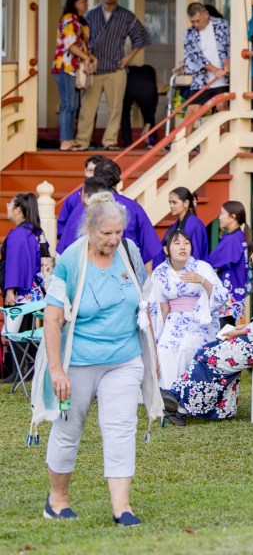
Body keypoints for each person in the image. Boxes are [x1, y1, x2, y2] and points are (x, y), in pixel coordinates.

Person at [31, 197, 163, 525]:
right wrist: (57, 370)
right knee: (68, 430)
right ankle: (57, 500)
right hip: (78, 361)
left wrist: (153, 353)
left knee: (121, 429)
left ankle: (122, 509)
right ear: (90, 229)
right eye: (106, 233)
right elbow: (52, 318)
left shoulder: (130, 252)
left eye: (118, 232)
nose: (114, 239)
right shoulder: (71, 261)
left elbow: (144, 305)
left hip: (124, 359)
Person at [160, 235, 253, 425]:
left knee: (209, 356)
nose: (251, 259)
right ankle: (208, 405)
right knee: (209, 350)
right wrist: (246, 327)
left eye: (252, 255)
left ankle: (181, 406)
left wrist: (238, 332)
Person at [74, 0, 151, 151]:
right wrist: (86, 58)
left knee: (115, 108)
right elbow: (79, 40)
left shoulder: (126, 16)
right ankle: (82, 141)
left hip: (116, 69)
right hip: (92, 69)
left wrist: (128, 58)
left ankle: (109, 141)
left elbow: (141, 37)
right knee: (87, 108)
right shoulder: (90, 15)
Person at [150, 229, 227, 389]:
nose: (182, 247)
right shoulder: (159, 272)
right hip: (173, 321)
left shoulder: (202, 267)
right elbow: (161, 307)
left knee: (187, 347)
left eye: (186, 243)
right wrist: (158, 334)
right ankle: (169, 393)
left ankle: (188, 393)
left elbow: (221, 296)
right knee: (165, 348)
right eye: (177, 243)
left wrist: (202, 280)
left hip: (200, 321)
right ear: (166, 250)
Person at [56, 159, 163, 271]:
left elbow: (64, 246)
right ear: (118, 180)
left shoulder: (83, 207)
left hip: (88, 270)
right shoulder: (133, 207)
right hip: (124, 272)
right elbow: (150, 248)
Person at [51, 0, 95, 151]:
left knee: (74, 106)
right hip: (65, 67)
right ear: (74, 3)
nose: (86, 4)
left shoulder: (80, 21)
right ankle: (65, 140)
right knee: (68, 105)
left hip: (74, 68)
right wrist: (86, 58)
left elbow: (82, 47)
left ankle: (69, 139)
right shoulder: (69, 18)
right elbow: (70, 45)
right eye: (82, 1)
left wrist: (91, 58)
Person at [183, 2, 231, 122]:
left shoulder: (223, 25)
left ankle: (226, 134)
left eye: (198, 21)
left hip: (222, 80)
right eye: (192, 22)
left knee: (222, 106)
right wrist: (216, 70)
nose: (196, 24)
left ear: (206, 14)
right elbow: (196, 57)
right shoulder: (188, 33)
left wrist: (227, 63)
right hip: (201, 79)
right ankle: (184, 135)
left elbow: (230, 45)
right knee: (192, 111)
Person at [0, 193, 49, 308]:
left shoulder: (19, 234)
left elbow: (15, 262)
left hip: (20, 294)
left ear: (17, 210)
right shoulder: (36, 232)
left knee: (17, 320)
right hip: (37, 292)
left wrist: (10, 290)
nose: (7, 207)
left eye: (9, 204)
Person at [207, 201, 251, 322]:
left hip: (228, 296)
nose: (219, 217)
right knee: (228, 329)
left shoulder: (231, 239)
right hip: (236, 294)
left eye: (222, 213)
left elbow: (213, 261)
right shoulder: (239, 236)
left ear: (233, 216)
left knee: (223, 330)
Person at [57, 155, 106, 244]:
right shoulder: (72, 199)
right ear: (85, 171)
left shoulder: (108, 198)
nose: (93, 174)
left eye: (97, 171)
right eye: (90, 170)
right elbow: (62, 227)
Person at [120, 64, 159, 148]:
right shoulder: (151, 84)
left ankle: (127, 142)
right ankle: (151, 142)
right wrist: (147, 126)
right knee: (149, 115)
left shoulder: (132, 71)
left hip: (129, 88)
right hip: (146, 91)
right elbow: (152, 109)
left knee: (124, 114)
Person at [167, 187, 209, 262]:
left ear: (186, 203)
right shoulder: (175, 225)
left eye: (174, 202)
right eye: (170, 202)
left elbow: (196, 255)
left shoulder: (195, 225)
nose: (171, 206)